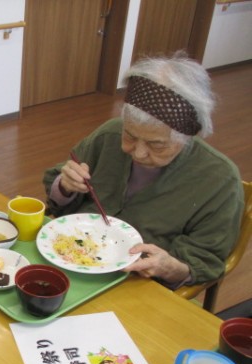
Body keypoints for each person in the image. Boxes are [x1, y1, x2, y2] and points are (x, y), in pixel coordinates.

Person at [43, 53, 244, 289]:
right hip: (72, 257)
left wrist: (171, 267)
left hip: (142, 283)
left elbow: (205, 259)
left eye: (156, 145)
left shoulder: (219, 180)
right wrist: (66, 186)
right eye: (130, 136)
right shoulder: (109, 135)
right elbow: (58, 195)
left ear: (187, 137)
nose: (138, 153)